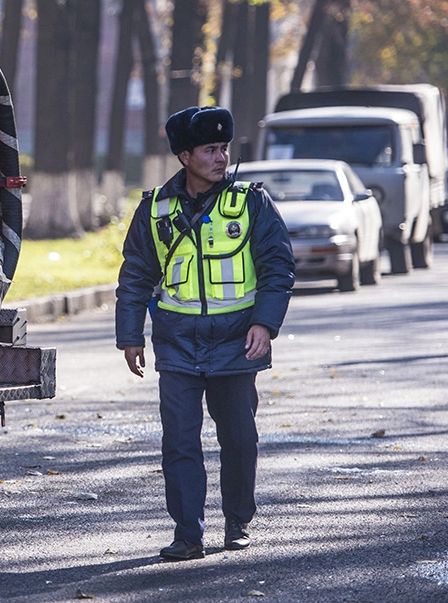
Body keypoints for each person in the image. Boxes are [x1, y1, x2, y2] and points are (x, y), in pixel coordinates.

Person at [115, 106, 294, 561]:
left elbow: (278, 267)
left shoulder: (251, 203)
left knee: (239, 439)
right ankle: (187, 534)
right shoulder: (155, 209)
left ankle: (237, 521)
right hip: (177, 343)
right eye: (210, 149)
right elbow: (136, 275)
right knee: (179, 442)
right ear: (185, 156)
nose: (221, 157)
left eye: (224, 148)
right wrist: (130, 336)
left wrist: (264, 324)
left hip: (237, 342)